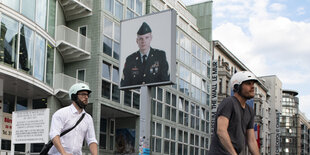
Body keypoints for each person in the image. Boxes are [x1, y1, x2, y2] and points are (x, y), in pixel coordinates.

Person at [209, 71, 260, 155]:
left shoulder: (250, 110)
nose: (252, 87)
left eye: (253, 84)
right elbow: (221, 131)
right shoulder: (229, 102)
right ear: (237, 87)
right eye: (248, 84)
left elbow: (251, 140)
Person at [48, 83, 98, 155]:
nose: (86, 97)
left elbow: (91, 139)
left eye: (87, 95)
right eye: (83, 94)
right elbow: (54, 134)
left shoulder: (88, 118)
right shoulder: (61, 113)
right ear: (74, 96)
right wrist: (63, 153)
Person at [121, 22, 169, 87]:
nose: (143, 41)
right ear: (137, 41)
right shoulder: (130, 59)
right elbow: (124, 84)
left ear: (151, 38)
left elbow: (165, 80)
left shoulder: (160, 56)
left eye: (146, 37)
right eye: (141, 39)